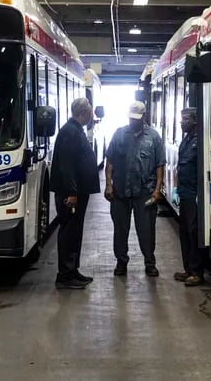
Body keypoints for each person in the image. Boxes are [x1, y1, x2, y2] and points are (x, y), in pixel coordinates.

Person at [104, 101, 166, 277]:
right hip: (121, 192)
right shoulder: (119, 134)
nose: (133, 121)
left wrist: (157, 189)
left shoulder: (153, 137)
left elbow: (159, 165)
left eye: (137, 119)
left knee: (146, 230)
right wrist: (108, 185)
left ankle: (150, 263)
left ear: (144, 116)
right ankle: (121, 262)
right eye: (131, 118)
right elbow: (110, 162)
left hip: (144, 192)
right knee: (120, 230)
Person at [50, 97, 100, 289]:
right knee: (69, 232)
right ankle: (65, 276)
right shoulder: (70, 132)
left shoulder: (75, 129)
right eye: (90, 112)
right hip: (70, 194)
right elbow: (67, 166)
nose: (91, 115)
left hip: (77, 192)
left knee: (75, 232)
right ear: (84, 112)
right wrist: (72, 192)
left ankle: (72, 270)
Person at [172, 107, 204, 286]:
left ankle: (197, 272)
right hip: (184, 193)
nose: (181, 122)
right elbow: (180, 166)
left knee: (193, 233)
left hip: (193, 194)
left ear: (195, 121)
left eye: (185, 119)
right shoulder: (186, 140)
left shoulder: (200, 142)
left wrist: (200, 194)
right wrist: (176, 188)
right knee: (183, 231)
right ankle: (188, 269)